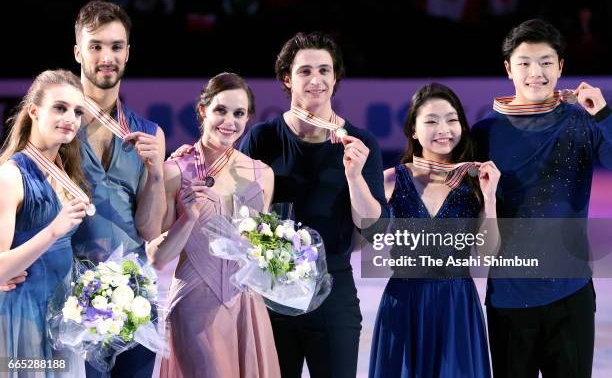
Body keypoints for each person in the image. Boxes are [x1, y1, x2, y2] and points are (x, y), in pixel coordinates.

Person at [238, 31, 389, 378]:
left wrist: (354, 176)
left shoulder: (362, 143)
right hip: (271, 292)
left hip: (334, 291)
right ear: (287, 79)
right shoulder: (262, 138)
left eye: (325, 70)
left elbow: (374, 229)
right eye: (305, 71)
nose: (316, 79)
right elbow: (238, 213)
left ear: (336, 79)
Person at [472, 18, 612, 378]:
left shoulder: (581, 121)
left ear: (561, 66)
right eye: (524, 63)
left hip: (571, 293)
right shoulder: (485, 132)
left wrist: (604, 115)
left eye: (547, 62)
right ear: (508, 69)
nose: (536, 72)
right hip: (508, 297)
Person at [146, 72, 279, 378]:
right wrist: (188, 218)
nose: (229, 121)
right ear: (203, 110)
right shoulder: (175, 169)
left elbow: (262, 247)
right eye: (220, 110)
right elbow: (158, 257)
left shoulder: (262, 174)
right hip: (195, 305)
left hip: (247, 306)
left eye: (238, 113)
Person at [369, 83, 500, 378]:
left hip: (456, 306)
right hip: (404, 305)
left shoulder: (473, 182)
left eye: (452, 120)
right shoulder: (392, 179)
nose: (444, 129)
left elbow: (488, 254)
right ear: (413, 131)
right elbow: (369, 234)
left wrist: (489, 200)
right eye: (431, 121)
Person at [74, 0, 165, 378]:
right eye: (95, 46)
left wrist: (157, 174)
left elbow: (149, 229)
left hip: (135, 301)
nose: (106, 56)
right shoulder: (54, 128)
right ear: (78, 52)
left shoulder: (150, 133)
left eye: (115, 46)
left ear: (128, 53)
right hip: (72, 304)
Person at [0, 69, 89, 376]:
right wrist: (53, 230)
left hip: (65, 315)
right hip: (25, 315)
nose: (71, 118)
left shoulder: (66, 170)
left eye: (77, 111)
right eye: (60, 107)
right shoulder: (10, 176)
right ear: (34, 111)